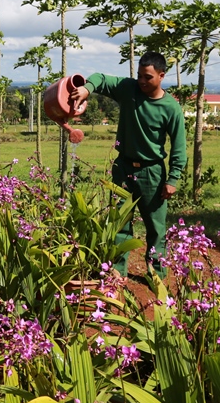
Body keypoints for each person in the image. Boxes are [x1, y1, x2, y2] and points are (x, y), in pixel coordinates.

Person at [69, 51, 187, 279]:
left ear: (161, 76)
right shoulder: (128, 89)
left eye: (148, 77)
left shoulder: (171, 108)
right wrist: (87, 88)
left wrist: (173, 178)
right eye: (140, 75)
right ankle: (117, 269)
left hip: (152, 171)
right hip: (123, 167)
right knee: (120, 221)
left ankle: (156, 274)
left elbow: (179, 146)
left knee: (156, 228)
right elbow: (101, 78)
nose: (142, 81)